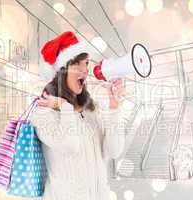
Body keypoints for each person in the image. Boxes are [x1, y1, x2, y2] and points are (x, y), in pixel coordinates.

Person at [30, 31, 125, 200]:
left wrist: (114, 107)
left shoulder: (91, 109)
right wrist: (64, 107)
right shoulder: (43, 112)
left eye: (86, 63)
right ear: (61, 71)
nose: (85, 70)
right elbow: (69, 146)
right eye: (77, 64)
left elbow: (114, 150)